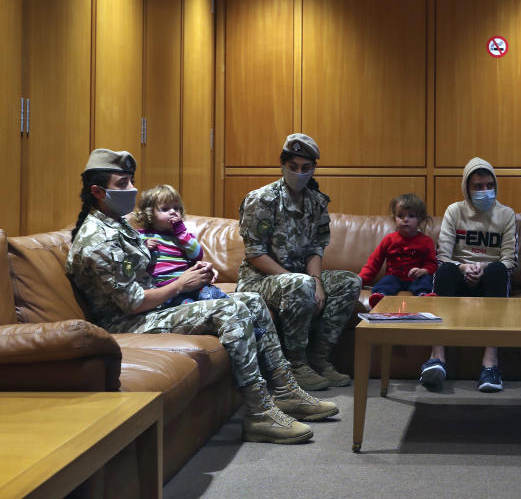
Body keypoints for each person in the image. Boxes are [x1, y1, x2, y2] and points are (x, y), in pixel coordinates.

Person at [66, 149, 337, 445]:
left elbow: (154, 272)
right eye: (122, 184)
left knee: (251, 301)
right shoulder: (98, 239)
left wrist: (193, 272)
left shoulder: (117, 223)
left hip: (155, 308)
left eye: (131, 181)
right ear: (97, 191)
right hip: (130, 322)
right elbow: (133, 303)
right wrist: (182, 284)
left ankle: (286, 393)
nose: (131, 189)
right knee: (229, 310)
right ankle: (259, 413)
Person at [237, 133, 362, 391]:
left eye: (306, 168)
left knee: (349, 282)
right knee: (299, 284)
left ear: (314, 168)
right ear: (283, 165)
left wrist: (315, 282)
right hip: (259, 280)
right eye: (292, 167)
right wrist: (301, 282)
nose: (299, 173)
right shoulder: (261, 199)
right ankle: (295, 365)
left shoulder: (316, 202)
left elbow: (316, 248)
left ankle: (319, 358)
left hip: (298, 277)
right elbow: (255, 253)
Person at [419, 157, 517, 392]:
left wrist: (482, 268)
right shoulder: (455, 211)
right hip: (459, 275)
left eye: (489, 185)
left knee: (498, 270)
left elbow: (509, 260)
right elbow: (443, 254)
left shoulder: (506, 214)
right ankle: (437, 358)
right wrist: (463, 268)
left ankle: (490, 365)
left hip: (490, 279)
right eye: (478, 186)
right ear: (467, 188)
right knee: (444, 271)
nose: (485, 191)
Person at [132, 184, 227, 308]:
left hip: (196, 285)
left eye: (176, 208)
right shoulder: (141, 236)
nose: (173, 212)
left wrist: (181, 232)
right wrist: (144, 248)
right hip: (168, 291)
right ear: (150, 214)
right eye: (165, 209)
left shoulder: (183, 235)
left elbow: (197, 255)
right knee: (190, 308)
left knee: (224, 302)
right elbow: (133, 260)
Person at [360, 193, 438, 310]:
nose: (405, 219)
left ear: (420, 219)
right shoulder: (389, 240)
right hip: (394, 277)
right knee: (386, 282)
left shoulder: (426, 241)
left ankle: (424, 296)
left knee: (425, 280)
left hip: (416, 278)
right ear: (394, 218)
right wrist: (359, 281)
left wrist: (423, 270)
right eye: (400, 216)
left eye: (411, 216)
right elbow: (373, 264)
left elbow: (432, 264)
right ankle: (381, 297)